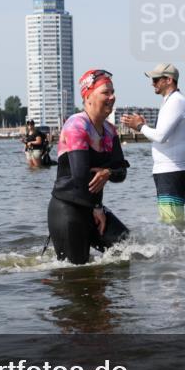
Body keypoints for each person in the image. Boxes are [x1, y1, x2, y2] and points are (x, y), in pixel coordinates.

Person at [48, 69, 130, 265]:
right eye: (106, 93)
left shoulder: (110, 131)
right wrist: (96, 207)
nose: (112, 97)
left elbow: (121, 172)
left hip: (93, 207)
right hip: (68, 209)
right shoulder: (76, 125)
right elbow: (80, 176)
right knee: (77, 273)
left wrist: (108, 173)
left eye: (113, 92)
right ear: (88, 97)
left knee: (126, 246)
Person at [121, 63, 185, 228]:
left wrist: (140, 127)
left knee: (172, 222)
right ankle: (180, 252)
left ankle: (180, 252)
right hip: (167, 170)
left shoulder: (176, 101)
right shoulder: (170, 101)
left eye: (156, 79)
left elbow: (160, 137)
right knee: (170, 221)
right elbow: (162, 136)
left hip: (171, 170)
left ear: (169, 80)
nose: (152, 83)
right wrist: (145, 128)